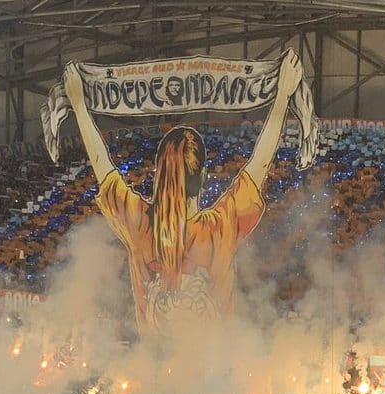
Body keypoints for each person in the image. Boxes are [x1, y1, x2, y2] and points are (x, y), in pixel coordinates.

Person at [65, 51, 302, 332]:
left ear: (159, 174)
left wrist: (79, 105)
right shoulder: (220, 228)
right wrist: (282, 98)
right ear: (202, 176)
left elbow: (102, 166)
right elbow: (259, 164)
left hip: (154, 370)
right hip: (213, 372)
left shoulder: (139, 223)